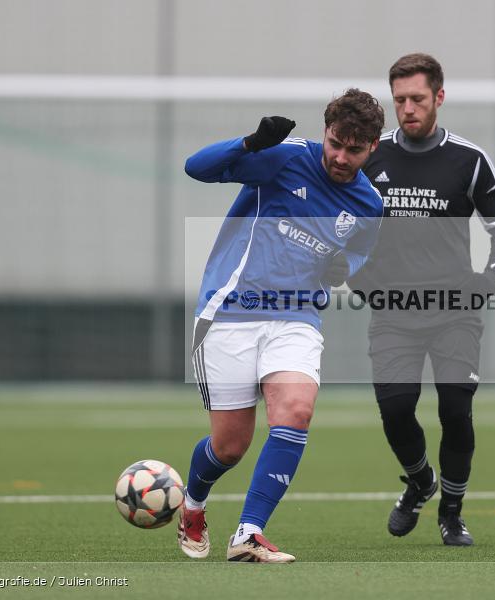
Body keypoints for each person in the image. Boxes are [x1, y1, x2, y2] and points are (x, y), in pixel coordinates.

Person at [179, 89, 385, 562]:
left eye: (354, 150)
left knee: (296, 410)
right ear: (326, 131)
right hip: (230, 310)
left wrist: (343, 267)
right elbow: (196, 167)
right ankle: (193, 504)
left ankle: (248, 533)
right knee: (230, 446)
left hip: (296, 317)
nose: (340, 156)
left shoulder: (369, 203)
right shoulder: (285, 158)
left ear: (372, 148)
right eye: (336, 143)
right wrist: (251, 143)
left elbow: (356, 254)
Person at [348, 54, 495, 546]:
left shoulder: (468, 159)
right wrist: (358, 278)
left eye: (417, 99)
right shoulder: (371, 155)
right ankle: (420, 481)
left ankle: (451, 511)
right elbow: (342, 224)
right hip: (393, 314)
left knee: (455, 408)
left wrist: (488, 281)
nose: (407, 109)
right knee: (396, 410)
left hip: (455, 313)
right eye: (399, 100)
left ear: (439, 97)